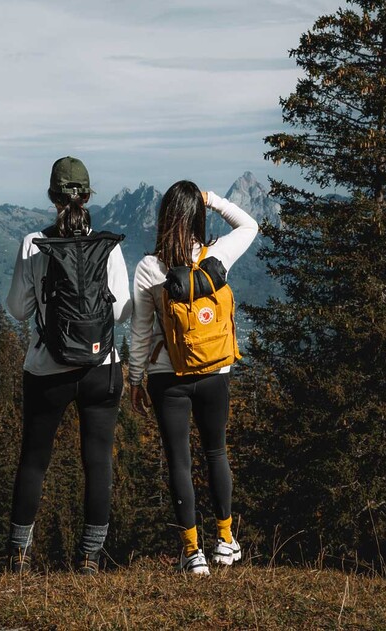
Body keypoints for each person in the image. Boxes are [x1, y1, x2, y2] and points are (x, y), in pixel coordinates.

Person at [5, 156, 132, 574]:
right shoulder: (107, 244)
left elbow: (18, 310)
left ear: (51, 196)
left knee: (35, 460)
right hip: (103, 367)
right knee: (97, 461)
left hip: (47, 368)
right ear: (88, 195)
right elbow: (121, 312)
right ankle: (89, 559)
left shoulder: (33, 243)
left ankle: (19, 557)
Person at [128, 180, 258, 575]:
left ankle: (192, 551)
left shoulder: (150, 268)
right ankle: (225, 540)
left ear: (164, 219)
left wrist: (135, 380)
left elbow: (140, 331)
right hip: (216, 371)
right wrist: (211, 199)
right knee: (216, 451)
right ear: (197, 217)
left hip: (169, 378)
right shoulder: (215, 257)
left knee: (179, 463)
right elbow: (250, 226)